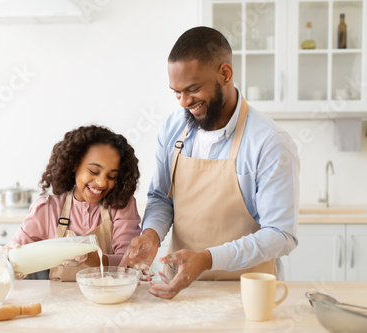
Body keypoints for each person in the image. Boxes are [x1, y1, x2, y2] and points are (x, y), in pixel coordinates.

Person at [120, 26, 299, 299]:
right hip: (177, 288)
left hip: (247, 292)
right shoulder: (173, 128)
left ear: (225, 74)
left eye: (192, 89)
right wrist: (152, 235)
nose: (183, 102)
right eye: (176, 92)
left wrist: (207, 259)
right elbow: (161, 197)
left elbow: (280, 234)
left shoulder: (269, 141)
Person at [6, 125, 141, 281]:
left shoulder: (121, 207)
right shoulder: (48, 209)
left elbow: (129, 264)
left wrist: (92, 259)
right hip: (61, 302)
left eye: (111, 177)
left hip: (110, 299)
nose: (102, 182)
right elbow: (10, 256)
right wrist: (10, 260)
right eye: (93, 172)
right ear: (74, 165)